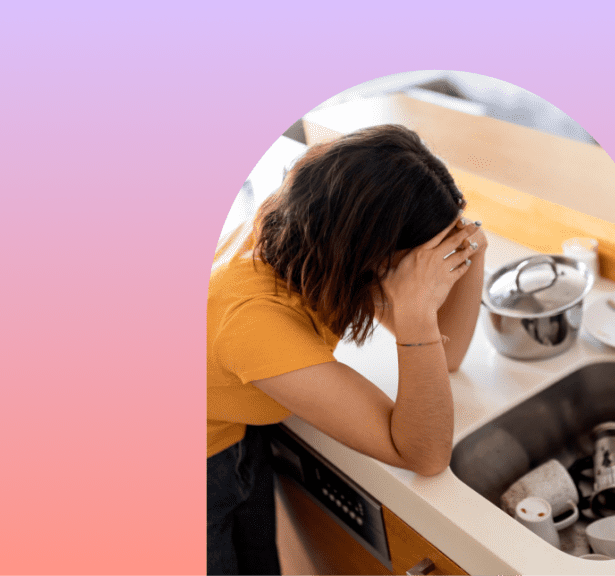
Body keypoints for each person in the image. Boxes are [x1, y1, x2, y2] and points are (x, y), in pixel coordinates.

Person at [206, 124, 487, 575]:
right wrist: (415, 313)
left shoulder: (312, 222)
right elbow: (424, 454)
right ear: (372, 258)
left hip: (236, 430)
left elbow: (446, 356)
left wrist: (468, 246)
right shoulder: (254, 322)